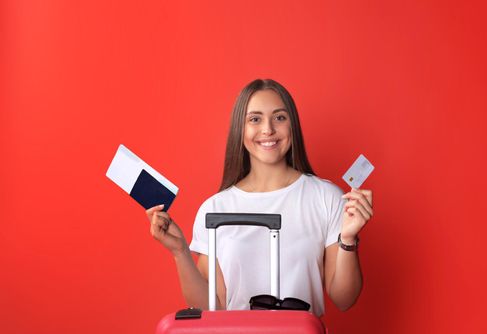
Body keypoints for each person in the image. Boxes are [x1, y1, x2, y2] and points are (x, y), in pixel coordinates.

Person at [146, 79, 373, 317]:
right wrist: (180, 251)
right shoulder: (215, 208)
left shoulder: (325, 197)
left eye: (279, 117)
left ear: (292, 125)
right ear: (240, 129)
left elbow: (344, 298)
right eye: (255, 119)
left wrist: (348, 238)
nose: (268, 129)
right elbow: (212, 307)